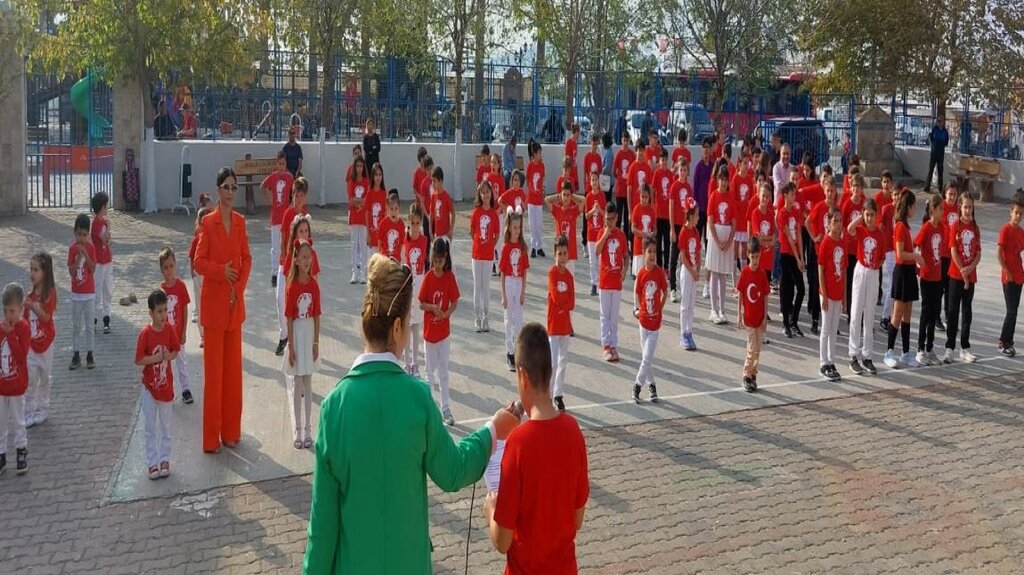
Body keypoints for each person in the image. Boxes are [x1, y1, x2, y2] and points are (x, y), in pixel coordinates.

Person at [304, 255, 519, 575]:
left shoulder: (334, 407)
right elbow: (453, 470)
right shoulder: (417, 397)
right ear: (397, 328)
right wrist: (492, 429)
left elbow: (321, 528)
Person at [483, 322, 588, 573]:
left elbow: (502, 541)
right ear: (550, 371)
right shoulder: (573, 431)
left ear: (522, 375)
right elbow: (577, 519)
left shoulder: (518, 444)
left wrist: (491, 511)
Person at [195, 167, 252, 453]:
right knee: (214, 377)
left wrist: (237, 288)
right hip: (214, 307)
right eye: (226, 187)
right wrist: (222, 272)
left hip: (234, 306)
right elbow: (198, 262)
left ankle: (231, 432)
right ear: (218, 190)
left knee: (232, 375)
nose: (230, 192)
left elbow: (247, 259)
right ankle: (210, 438)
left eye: (234, 187)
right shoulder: (208, 223)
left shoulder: (241, 222)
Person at [135, 289, 180, 480]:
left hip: (166, 387)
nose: (163, 315)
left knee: (166, 426)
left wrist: (169, 356)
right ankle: (152, 461)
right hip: (149, 388)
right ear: (151, 313)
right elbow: (139, 359)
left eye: (165, 311)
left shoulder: (169, 329)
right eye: (159, 311)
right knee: (150, 427)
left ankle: (164, 459)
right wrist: (155, 358)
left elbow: (175, 349)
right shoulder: (145, 333)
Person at [283, 239, 321, 450]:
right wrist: (291, 345)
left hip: (309, 335)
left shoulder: (314, 285)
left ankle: (308, 428)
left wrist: (316, 342)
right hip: (297, 334)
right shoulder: (292, 286)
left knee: (308, 381)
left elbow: (316, 316)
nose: (307, 261)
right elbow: (289, 316)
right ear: (296, 260)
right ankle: (297, 428)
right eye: (303, 257)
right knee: (298, 382)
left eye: (309, 257)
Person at [419, 237, 460, 425]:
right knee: (429, 373)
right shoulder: (428, 277)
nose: (437, 264)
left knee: (443, 372)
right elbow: (421, 303)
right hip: (429, 335)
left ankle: (445, 408)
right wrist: (431, 308)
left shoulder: (449, 277)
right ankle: (429, 408)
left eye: (441, 260)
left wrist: (446, 314)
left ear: (446, 259)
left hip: (444, 334)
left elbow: (455, 302)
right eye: (435, 260)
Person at [883, 191, 923, 369]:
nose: (915, 209)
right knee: (897, 314)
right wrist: (916, 256)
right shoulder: (899, 226)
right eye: (914, 206)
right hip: (902, 272)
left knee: (907, 314)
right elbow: (899, 254)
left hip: (909, 273)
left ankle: (906, 352)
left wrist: (915, 258)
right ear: (908, 207)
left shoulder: (906, 226)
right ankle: (889, 351)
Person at [846, 199, 883, 376]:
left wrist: (876, 265)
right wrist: (861, 217)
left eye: (872, 215)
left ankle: (867, 355)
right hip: (861, 271)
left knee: (869, 315)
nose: (869, 218)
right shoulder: (861, 230)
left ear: (876, 216)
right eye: (867, 215)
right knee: (856, 313)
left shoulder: (880, 234)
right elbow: (849, 229)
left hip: (873, 272)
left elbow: (882, 256)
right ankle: (853, 354)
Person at [944, 192, 981, 364]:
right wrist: (962, 270)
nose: (968, 210)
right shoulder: (955, 226)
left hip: (970, 275)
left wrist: (970, 268)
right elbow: (953, 251)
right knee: (952, 311)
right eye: (965, 207)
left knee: (967, 312)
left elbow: (978, 253)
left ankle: (964, 348)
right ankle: (949, 347)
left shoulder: (975, 227)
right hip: (955, 275)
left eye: (970, 207)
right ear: (960, 207)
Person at [23, 253, 57, 428]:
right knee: (30, 378)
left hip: (46, 344)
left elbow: (45, 317)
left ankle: (43, 409)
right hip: (31, 345)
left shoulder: (49, 293)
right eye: (31, 269)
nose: (32, 273)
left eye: (36, 269)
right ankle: (29, 411)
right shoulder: (29, 295)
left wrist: (32, 307)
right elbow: (25, 321)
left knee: (45, 377)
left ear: (45, 272)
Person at [0, 283, 31, 475]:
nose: (9, 315)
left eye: (13, 311)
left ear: (20, 309)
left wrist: (11, 334)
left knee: (19, 420)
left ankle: (21, 450)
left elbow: (21, 355)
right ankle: (1, 453)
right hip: (2, 384)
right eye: (6, 311)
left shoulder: (23, 328)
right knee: (1, 421)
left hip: (17, 384)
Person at [633, 234, 668, 404]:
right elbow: (637, 292)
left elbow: (665, 291)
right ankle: (652, 385)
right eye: (650, 251)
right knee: (646, 358)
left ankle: (637, 385)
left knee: (647, 357)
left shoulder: (659, 273)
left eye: (655, 251)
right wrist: (637, 309)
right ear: (644, 253)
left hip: (655, 325)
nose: (653, 255)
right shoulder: (641, 274)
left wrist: (660, 308)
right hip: (643, 323)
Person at [158, 247, 194, 405]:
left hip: (178, 334)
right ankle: (168, 390)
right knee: (166, 364)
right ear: (161, 270)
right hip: (165, 336)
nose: (169, 270)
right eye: (165, 267)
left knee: (181, 362)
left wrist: (184, 331)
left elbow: (185, 309)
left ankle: (185, 389)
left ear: (176, 265)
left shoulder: (180, 286)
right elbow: (158, 314)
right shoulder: (161, 290)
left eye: (171, 266)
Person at [915, 193, 945, 365]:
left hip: (938, 277)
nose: (942, 211)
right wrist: (919, 262)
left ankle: (930, 348)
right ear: (933, 210)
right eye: (940, 208)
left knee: (934, 313)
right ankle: (920, 349)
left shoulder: (941, 227)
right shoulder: (926, 228)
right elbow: (915, 244)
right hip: (927, 277)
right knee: (926, 313)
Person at [736, 238, 768, 393]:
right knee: (751, 349)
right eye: (752, 257)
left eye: (757, 257)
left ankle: (754, 374)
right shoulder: (745, 272)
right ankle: (746, 375)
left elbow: (765, 296)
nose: (755, 260)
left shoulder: (761, 274)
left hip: (759, 317)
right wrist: (739, 313)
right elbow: (741, 293)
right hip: (749, 317)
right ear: (748, 255)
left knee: (758, 349)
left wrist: (765, 316)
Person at [597, 202, 628, 362]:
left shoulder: (621, 235)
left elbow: (626, 256)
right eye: (606, 219)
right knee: (605, 315)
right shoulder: (602, 232)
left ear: (616, 219)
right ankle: (606, 344)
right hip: (604, 282)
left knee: (614, 316)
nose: (609, 222)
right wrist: (605, 235)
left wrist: (625, 270)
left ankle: (614, 344)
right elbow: (596, 250)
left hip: (616, 282)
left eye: (611, 219)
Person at [817, 209, 846, 381]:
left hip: (837, 292)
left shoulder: (842, 243)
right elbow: (821, 269)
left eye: (841, 221)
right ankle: (823, 362)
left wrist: (844, 296)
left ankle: (832, 360)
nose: (839, 224)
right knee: (826, 328)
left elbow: (843, 268)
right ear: (829, 223)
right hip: (827, 293)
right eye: (836, 221)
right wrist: (825, 295)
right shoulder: (826, 243)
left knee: (834, 329)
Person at [547, 235, 574, 412]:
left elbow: (572, 301)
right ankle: (548, 394)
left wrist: (563, 306)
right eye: (559, 253)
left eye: (565, 253)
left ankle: (558, 393)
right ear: (555, 254)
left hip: (565, 326)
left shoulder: (569, 276)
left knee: (563, 361)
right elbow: (555, 296)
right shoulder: (552, 274)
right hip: (553, 325)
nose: (562, 257)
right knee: (553, 362)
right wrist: (563, 304)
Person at [500, 208, 529, 371]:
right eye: (514, 227)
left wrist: (523, 291)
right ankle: (509, 352)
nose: (516, 230)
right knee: (508, 320)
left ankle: (518, 351)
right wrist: (503, 295)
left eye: (519, 227)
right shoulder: (505, 247)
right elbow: (503, 274)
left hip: (518, 284)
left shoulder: (522, 247)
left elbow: (524, 271)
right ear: (509, 228)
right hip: (509, 283)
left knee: (518, 321)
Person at [706, 167, 736, 325]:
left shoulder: (730, 197)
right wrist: (718, 241)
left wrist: (729, 241)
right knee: (715, 274)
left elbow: (734, 221)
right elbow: (710, 221)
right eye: (721, 179)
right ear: (718, 180)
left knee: (724, 275)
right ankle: (713, 309)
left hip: (727, 237)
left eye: (726, 179)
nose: (724, 182)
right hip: (716, 236)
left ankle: (722, 309)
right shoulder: (714, 196)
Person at [402, 204, 428, 377]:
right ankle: (406, 362)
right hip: (408, 282)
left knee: (416, 325)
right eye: (413, 223)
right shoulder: (406, 240)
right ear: (409, 223)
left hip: (419, 282)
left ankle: (415, 363)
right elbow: (404, 261)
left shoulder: (424, 240)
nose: (416, 226)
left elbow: (425, 264)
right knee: (407, 324)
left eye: (418, 223)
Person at [777, 182, 806, 337]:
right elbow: (788, 237)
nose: (794, 196)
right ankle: (786, 324)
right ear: (785, 196)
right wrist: (797, 258)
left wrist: (801, 258)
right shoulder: (782, 213)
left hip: (795, 255)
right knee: (786, 289)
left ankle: (794, 320)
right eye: (792, 194)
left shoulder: (795, 211)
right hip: (786, 254)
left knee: (801, 289)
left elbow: (799, 235)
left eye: (795, 194)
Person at [68, 214, 97, 371]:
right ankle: (76, 354)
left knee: (89, 326)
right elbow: (72, 272)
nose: (81, 238)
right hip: (76, 294)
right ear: (75, 233)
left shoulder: (91, 248)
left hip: (89, 294)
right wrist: (78, 257)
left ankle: (90, 354)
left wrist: (85, 254)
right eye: (79, 234)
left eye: (85, 235)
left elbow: (92, 268)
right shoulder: (72, 249)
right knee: (76, 325)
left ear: (88, 234)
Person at [471, 182, 500, 333]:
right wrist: (479, 244)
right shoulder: (476, 212)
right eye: (483, 192)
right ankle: (477, 318)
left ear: (491, 193)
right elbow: (472, 231)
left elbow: (497, 234)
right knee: (477, 286)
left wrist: (490, 246)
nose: (486, 195)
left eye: (487, 191)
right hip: (476, 255)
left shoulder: (494, 214)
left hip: (488, 256)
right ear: (480, 195)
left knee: (486, 287)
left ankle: (486, 317)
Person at [262, 152, 294, 289]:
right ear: (277, 164)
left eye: (283, 164)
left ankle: (286, 270)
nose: (281, 166)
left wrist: (292, 204)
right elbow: (263, 187)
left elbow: (295, 190)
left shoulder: (289, 177)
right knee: (275, 247)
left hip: (286, 216)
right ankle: (274, 273)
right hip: (276, 217)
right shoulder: (273, 177)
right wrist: (270, 199)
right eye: (279, 164)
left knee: (286, 245)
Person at [998, 191, 1024, 357]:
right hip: (1008, 278)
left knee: (1014, 311)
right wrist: (1007, 271)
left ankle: (1009, 340)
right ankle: (1003, 341)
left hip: (1019, 276)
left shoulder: (1021, 232)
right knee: (1011, 311)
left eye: (1021, 214)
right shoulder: (1005, 229)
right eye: (1016, 213)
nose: (1018, 216)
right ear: (1011, 212)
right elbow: (999, 253)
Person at [545, 180, 585, 276]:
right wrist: (558, 196)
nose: (566, 197)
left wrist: (573, 196)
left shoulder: (573, 211)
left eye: (568, 195)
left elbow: (584, 200)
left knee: (570, 280)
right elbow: (546, 200)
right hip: (559, 253)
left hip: (570, 254)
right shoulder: (557, 210)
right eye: (564, 195)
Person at [678, 198, 702, 351]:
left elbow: (698, 251)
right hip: (687, 272)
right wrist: (692, 271)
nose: (698, 218)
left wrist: (698, 269)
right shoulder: (684, 232)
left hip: (694, 271)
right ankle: (683, 333)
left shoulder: (695, 231)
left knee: (692, 304)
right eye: (697, 215)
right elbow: (683, 256)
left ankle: (689, 331)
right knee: (685, 304)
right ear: (690, 216)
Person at [668, 157, 693, 302]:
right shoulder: (674, 187)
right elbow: (671, 207)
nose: (682, 173)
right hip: (676, 225)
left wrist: (689, 225)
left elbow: (689, 208)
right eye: (680, 170)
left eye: (684, 170)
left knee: (684, 258)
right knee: (673, 256)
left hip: (685, 225)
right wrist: (672, 229)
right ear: (677, 171)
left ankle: (684, 285)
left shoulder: (688, 188)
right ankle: (672, 288)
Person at [90, 193, 113, 335]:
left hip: (107, 260)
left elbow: (109, 241)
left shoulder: (103, 222)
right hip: (98, 262)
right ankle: (92, 317)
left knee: (108, 289)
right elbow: (104, 239)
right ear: (102, 207)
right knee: (97, 290)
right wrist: (109, 226)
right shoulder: (97, 224)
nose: (107, 208)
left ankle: (106, 317)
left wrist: (108, 232)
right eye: (106, 205)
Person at [189, 205, 212, 347]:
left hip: (210, 276)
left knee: (210, 305)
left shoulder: (214, 237)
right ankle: (203, 334)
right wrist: (192, 271)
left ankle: (210, 332)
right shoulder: (197, 238)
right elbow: (192, 256)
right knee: (200, 305)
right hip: (199, 275)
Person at [584, 170, 608, 296]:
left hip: (600, 234)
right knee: (592, 261)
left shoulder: (602, 196)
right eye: (592, 180)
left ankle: (601, 283)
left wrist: (600, 210)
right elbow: (586, 215)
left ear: (599, 181)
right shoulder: (588, 197)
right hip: (591, 235)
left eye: (596, 180)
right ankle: (593, 283)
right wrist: (594, 210)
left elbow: (606, 214)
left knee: (600, 260)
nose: (594, 182)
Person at [347, 157, 370, 284]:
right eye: (357, 166)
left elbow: (367, 199)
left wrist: (359, 201)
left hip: (363, 218)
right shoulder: (352, 181)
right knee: (354, 244)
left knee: (363, 244)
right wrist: (359, 202)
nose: (359, 168)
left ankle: (363, 273)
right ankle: (354, 272)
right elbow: (350, 199)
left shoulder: (366, 181)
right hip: (354, 217)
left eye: (361, 166)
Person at [653, 149, 674, 270]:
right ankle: (659, 265)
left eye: (665, 159)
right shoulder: (657, 173)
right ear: (659, 161)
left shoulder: (671, 175)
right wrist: (653, 205)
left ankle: (666, 266)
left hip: (667, 214)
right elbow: (653, 190)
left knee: (667, 242)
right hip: (658, 213)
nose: (664, 162)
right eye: (662, 160)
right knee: (658, 240)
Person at [526, 140, 546, 258]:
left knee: (539, 224)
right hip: (531, 200)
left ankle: (539, 246)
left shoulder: (542, 166)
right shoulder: (530, 165)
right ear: (534, 153)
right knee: (532, 225)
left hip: (538, 200)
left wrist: (542, 192)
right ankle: (533, 246)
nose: (540, 155)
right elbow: (528, 180)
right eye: (539, 153)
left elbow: (542, 180)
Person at [612, 133, 636, 237]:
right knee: (618, 216)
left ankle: (626, 241)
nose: (625, 143)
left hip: (628, 192)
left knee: (627, 218)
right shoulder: (619, 154)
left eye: (627, 140)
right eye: (624, 140)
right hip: (619, 191)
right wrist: (620, 178)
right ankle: (616, 237)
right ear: (621, 140)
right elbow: (614, 171)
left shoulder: (632, 154)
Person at [365, 163, 388, 257]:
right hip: (372, 233)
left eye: (380, 174)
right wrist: (368, 233)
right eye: (376, 175)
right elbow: (367, 213)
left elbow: (386, 214)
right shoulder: (369, 193)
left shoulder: (384, 193)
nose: (378, 177)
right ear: (372, 176)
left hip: (381, 235)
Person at [378, 190, 406, 260]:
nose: (394, 211)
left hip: (396, 259)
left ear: (399, 208)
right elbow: (379, 241)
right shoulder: (383, 223)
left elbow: (403, 242)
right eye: (391, 209)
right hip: (385, 258)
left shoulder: (401, 224)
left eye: (396, 208)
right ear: (387, 208)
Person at [926, 116, 949, 193]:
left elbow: (946, 142)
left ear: (943, 122)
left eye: (940, 121)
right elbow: (931, 138)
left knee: (940, 171)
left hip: (941, 153)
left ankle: (940, 188)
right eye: (938, 121)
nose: (939, 123)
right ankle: (927, 186)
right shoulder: (934, 129)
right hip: (934, 153)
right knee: (931, 170)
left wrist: (940, 144)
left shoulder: (945, 131)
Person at [565, 123, 580, 189]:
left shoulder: (575, 143)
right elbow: (567, 158)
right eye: (579, 133)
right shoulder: (569, 142)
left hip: (574, 169)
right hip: (570, 170)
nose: (579, 135)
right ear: (576, 132)